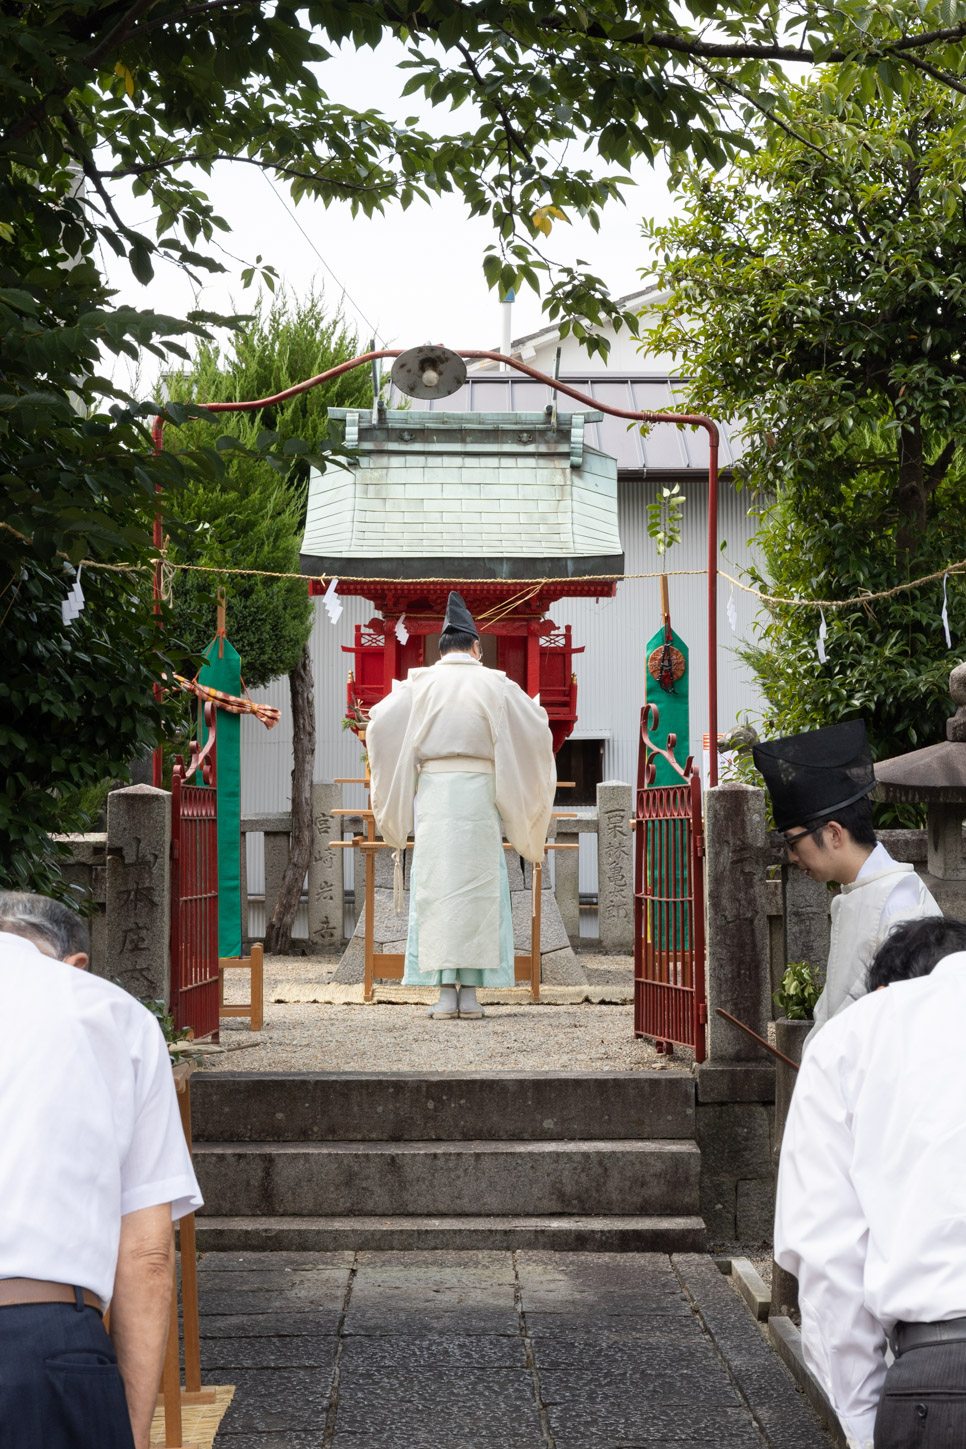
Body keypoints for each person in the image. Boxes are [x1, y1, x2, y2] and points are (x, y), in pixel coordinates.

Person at [0, 891, 202, 1449]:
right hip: (40, 1342)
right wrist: (132, 1434)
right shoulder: (108, 1012)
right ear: (76, 962)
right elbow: (147, 1255)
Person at [774, 914, 966, 1449]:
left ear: (886, 989)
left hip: (940, 1378)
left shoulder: (853, 1037)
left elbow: (827, 1251)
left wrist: (864, 1423)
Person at [366, 591, 556, 1019]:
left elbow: (378, 723)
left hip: (434, 794)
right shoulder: (495, 682)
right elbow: (536, 726)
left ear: (441, 648)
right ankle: (470, 994)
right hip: (479, 794)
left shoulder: (420, 682)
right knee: (478, 889)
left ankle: (442, 995)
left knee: (438, 889)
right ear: (475, 646)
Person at [753, 718, 940, 1042]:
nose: (792, 857)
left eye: (793, 843)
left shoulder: (902, 906)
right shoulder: (858, 895)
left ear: (834, 833)